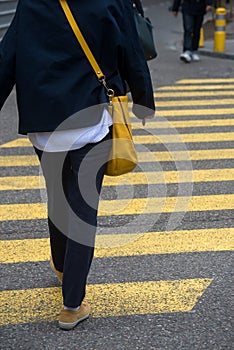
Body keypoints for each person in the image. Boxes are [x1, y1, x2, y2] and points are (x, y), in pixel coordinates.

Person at [0, 0, 155, 330]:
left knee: (57, 197)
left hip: (43, 125)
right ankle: (72, 305)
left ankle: (61, 266)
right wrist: (143, 101)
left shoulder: (31, 3)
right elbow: (129, 48)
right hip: (89, 120)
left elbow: (6, 58)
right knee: (83, 208)